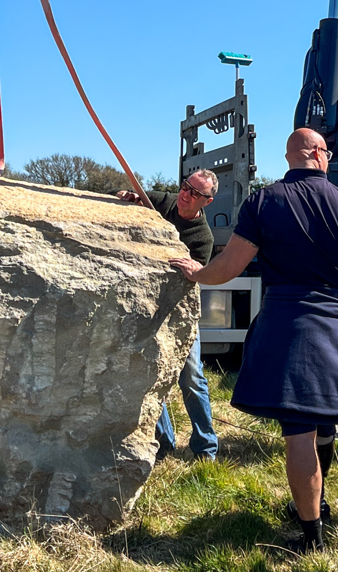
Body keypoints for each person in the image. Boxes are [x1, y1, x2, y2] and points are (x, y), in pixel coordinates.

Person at [170, 128, 338, 553]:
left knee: (300, 430)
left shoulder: (264, 201)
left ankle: (311, 536)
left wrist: (196, 273)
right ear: (319, 154)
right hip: (333, 319)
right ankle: (316, 506)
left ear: (291, 157)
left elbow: (231, 264)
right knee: (321, 421)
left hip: (286, 318)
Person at [117, 170, 219, 461]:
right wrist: (125, 196)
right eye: (185, 186)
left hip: (179, 313)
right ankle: (164, 442)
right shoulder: (161, 201)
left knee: (192, 378)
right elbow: (121, 193)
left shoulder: (203, 238)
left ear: (207, 202)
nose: (185, 194)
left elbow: (197, 276)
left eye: (195, 193)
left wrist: (195, 271)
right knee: (150, 373)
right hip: (146, 306)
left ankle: (205, 447)